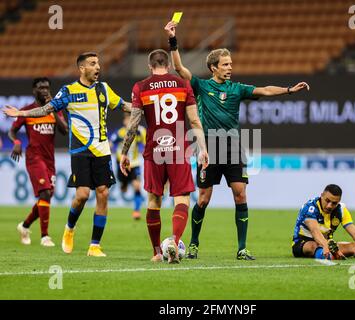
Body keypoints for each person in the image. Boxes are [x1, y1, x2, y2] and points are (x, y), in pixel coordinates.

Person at [164, 21, 310, 260]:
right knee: (203, 198)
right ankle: (193, 244)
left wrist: (289, 90)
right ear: (213, 67)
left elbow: (264, 90)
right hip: (209, 147)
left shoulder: (237, 88)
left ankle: (242, 248)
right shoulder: (201, 86)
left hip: (232, 147)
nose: (230, 67)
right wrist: (173, 40)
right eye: (225, 64)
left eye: (230, 64)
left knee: (240, 194)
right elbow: (179, 68)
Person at [3, 52, 132, 257]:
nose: (97, 66)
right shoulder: (69, 91)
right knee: (82, 195)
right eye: (92, 63)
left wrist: (144, 108)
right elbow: (47, 109)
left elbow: (125, 106)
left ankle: (95, 245)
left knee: (103, 194)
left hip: (102, 150)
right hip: (80, 151)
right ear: (82, 68)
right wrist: (21, 113)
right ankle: (69, 229)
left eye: (98, 63)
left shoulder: (104, 89)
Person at [119, 49, 209, 264]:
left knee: (154, 200)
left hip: (154, 149)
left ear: (150, 67)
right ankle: (174, 242)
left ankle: (157, 251)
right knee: (182, 198)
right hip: (178, 147)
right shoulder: (183, 84)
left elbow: (133, 124)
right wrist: (203, 149)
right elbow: (195, 121)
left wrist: (124, 152)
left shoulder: (140, 87)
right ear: (168, 65)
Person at [9, 77, 68, 247]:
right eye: (41, 88)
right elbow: (12, 131)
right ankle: (45, 236)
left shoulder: (54, 110)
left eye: (47, 87)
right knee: (44, 193)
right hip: (34, 158)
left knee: (47, 195)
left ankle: (24, 226)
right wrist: (17, 143)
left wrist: (54, 111)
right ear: (34, 90)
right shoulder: (27, 111)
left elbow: (64, 130)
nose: (45, 90)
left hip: (50, 160)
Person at [110, 112, 146, 220]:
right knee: (124, 188)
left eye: (131, 119)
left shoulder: (140, 131)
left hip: (134, 163)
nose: (129, 122)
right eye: (127, 119)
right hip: (121, 164)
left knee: (137, 186)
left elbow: (144, 143)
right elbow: (111, 143)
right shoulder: (120, 132)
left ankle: (136, 211)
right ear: (124, 121)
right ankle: (124, 184)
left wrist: (143, 150)